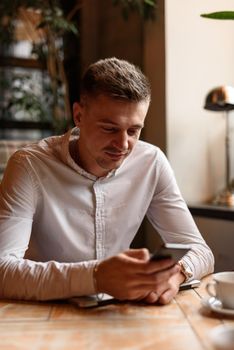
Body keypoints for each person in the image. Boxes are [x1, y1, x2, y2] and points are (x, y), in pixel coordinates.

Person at [0, 57, 214, 304]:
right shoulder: (29, 165)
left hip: (116, 314)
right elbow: (3, 271)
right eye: (110, 128)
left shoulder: (151, 162)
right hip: (40, 315)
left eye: (133, 130)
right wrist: (95, 277)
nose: (123, 145)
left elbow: (201, 251)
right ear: (78, 115)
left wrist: (175, 275)